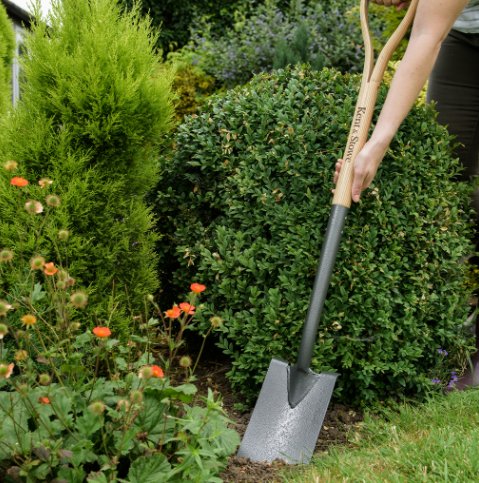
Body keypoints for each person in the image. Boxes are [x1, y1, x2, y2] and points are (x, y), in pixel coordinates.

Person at [334, 0, 479, 389]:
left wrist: (377, 144)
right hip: (466, 40)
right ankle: (452, 339)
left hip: (448, 34)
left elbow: (427, 36)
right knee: (449, 179)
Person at [333, 0, 479, 206]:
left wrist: (377, 145)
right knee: (450, 167)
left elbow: (426, 35)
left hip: (436, 29)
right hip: (461, 31)